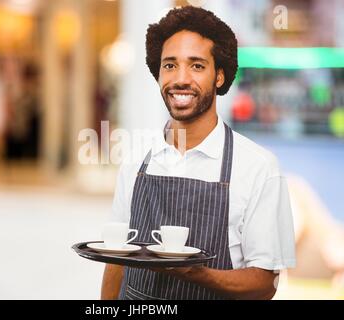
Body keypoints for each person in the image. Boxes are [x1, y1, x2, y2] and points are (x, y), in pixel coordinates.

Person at [101, 6, 295, 300]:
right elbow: (116, 259)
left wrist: (199, 274)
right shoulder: (137, 159)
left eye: (196, 66)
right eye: (170, 65)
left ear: (219, 75)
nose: (180, 79)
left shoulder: (258, 167)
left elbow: (265, 284)